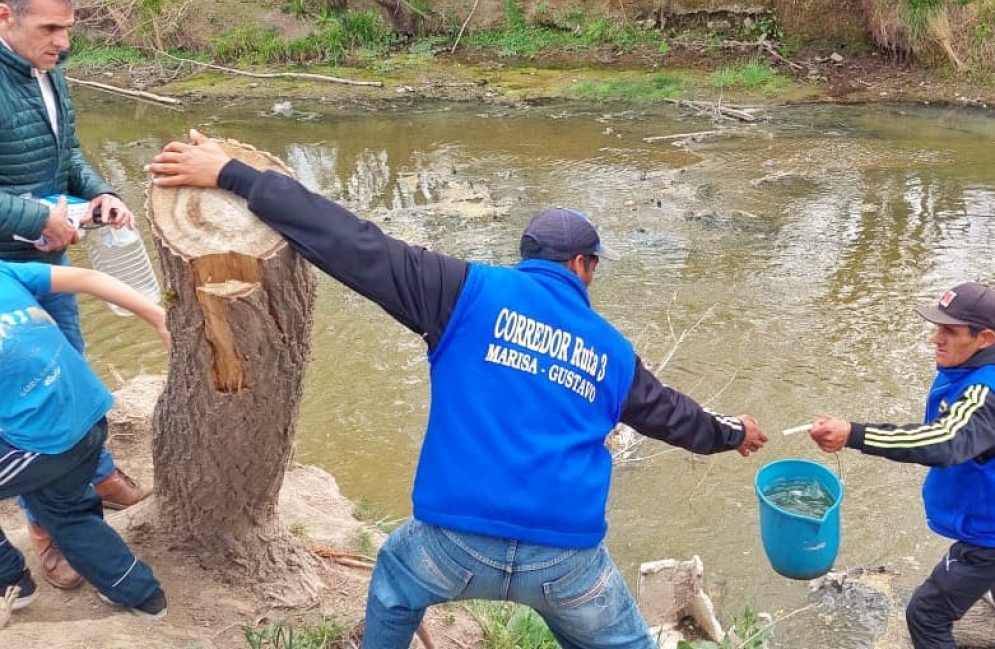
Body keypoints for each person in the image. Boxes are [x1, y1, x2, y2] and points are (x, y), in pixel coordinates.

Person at [147, 129, 769, 647]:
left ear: (527, 257)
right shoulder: (612, 351)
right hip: (566, 562)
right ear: (584, 266)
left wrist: (235, 174)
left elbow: (349, 242)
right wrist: (734, 434)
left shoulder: (460, 292)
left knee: (393, 583)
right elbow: (676, 418)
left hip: (449, 548)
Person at [0, 0, 151, 590]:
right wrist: (39, 219)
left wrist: (100, 193)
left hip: (52, 254)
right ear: (3, 14)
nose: (62, 44)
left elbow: (68, 158)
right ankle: (51, 532)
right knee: (31, 409)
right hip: (9, 276)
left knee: (75, 374)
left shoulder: (48, 74)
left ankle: (99, 472)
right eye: (48, 29)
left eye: (67, 30)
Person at [808, 281, 995, 649]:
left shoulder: (985, 393)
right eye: (937, 327)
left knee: (925, 615)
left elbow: (944, 440)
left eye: (950, 331)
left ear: (985, 338)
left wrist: (853, 434)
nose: (936, 338)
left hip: (988, 537)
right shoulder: (968, 370)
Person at [0, 260, 168, 618]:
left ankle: (9, 581)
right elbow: (89, 277)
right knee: (66, 502)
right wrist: (157, 316)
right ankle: (130, 587)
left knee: (66, 515)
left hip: (48, 444)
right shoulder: (4, 271)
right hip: (90, 412)